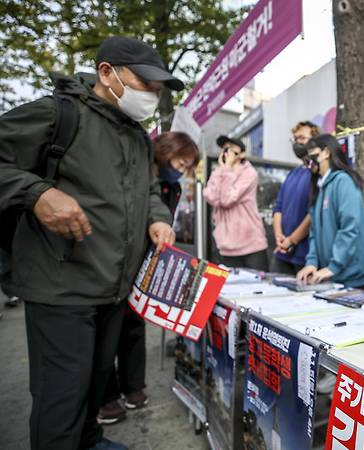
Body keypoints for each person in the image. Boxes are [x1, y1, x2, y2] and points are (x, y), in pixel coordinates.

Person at [0, 36, 181, 450]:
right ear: (107, 72)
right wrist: (37, 193)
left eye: (159, 88)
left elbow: (148, 192)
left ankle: (91, 440)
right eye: (146, 82)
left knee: (94, 390)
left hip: (115, 291)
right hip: (61, 288)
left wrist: (158, 220)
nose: (152, 94)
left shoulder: (137, 136)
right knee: (60, 403)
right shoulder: (57, 114)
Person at [98, 131, 199, 425]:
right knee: (106, 333)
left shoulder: (173, 187)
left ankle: (133, 388)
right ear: (166, 150)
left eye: (187, 165)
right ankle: (105, 398)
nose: (181, 168)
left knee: (134, 326)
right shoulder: (134, 169)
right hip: (114, 262)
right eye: (181, 161)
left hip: (147, 263)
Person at [296, 134, 364, 289]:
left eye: (312, 153)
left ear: (326, 153)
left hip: (354, 276)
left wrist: (333, 266)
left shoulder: (343, 181)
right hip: (333, 276)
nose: (308, 160)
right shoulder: (319, 188)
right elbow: (313, 232)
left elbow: (349, 226)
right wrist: (311, 263)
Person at [203, 135, 268, 271]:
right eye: (225, 148)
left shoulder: (249, 173)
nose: (228, 151)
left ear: (242, 153)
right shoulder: (219, 171)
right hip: (226, 246)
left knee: (257, 288)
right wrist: (223, 171)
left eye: (232, 148)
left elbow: (227, 200)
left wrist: (225, 171)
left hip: (251, 245)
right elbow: (210, 196)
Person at [270, 121, 321, 274]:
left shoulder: (318, 174)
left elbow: (313, 213)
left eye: (302, 138)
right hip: (282, 253)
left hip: (306, 257)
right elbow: (278, 208)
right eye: (295, 139)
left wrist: (292, 240)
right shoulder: (293, 173)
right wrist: (279, 237)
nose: (297, 142)